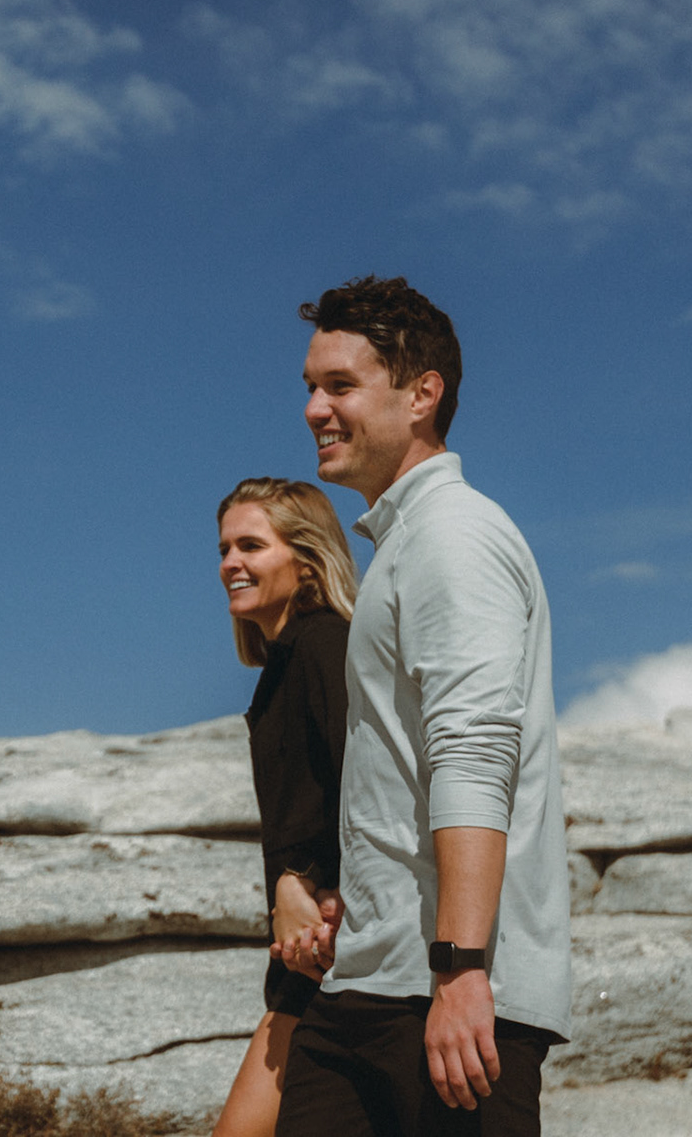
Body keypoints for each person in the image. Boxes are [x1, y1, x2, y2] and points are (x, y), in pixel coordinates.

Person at [275, 276, 571, 1137]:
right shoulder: (406, 546)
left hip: (444, 998)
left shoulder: (454, 536)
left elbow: (476, 754)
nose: (313, 410)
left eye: (339, 385)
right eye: (308, 387)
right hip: (374, 984)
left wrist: (462, 967)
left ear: (421, 395)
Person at [211, 477, 360, 1137]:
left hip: (339, 952)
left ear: (305, 557)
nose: (230, 565)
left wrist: (310, 889)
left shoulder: (322, 645)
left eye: (250, 545)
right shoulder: (283, 664)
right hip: (305, 951)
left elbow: (370, 789)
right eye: (224, 549)